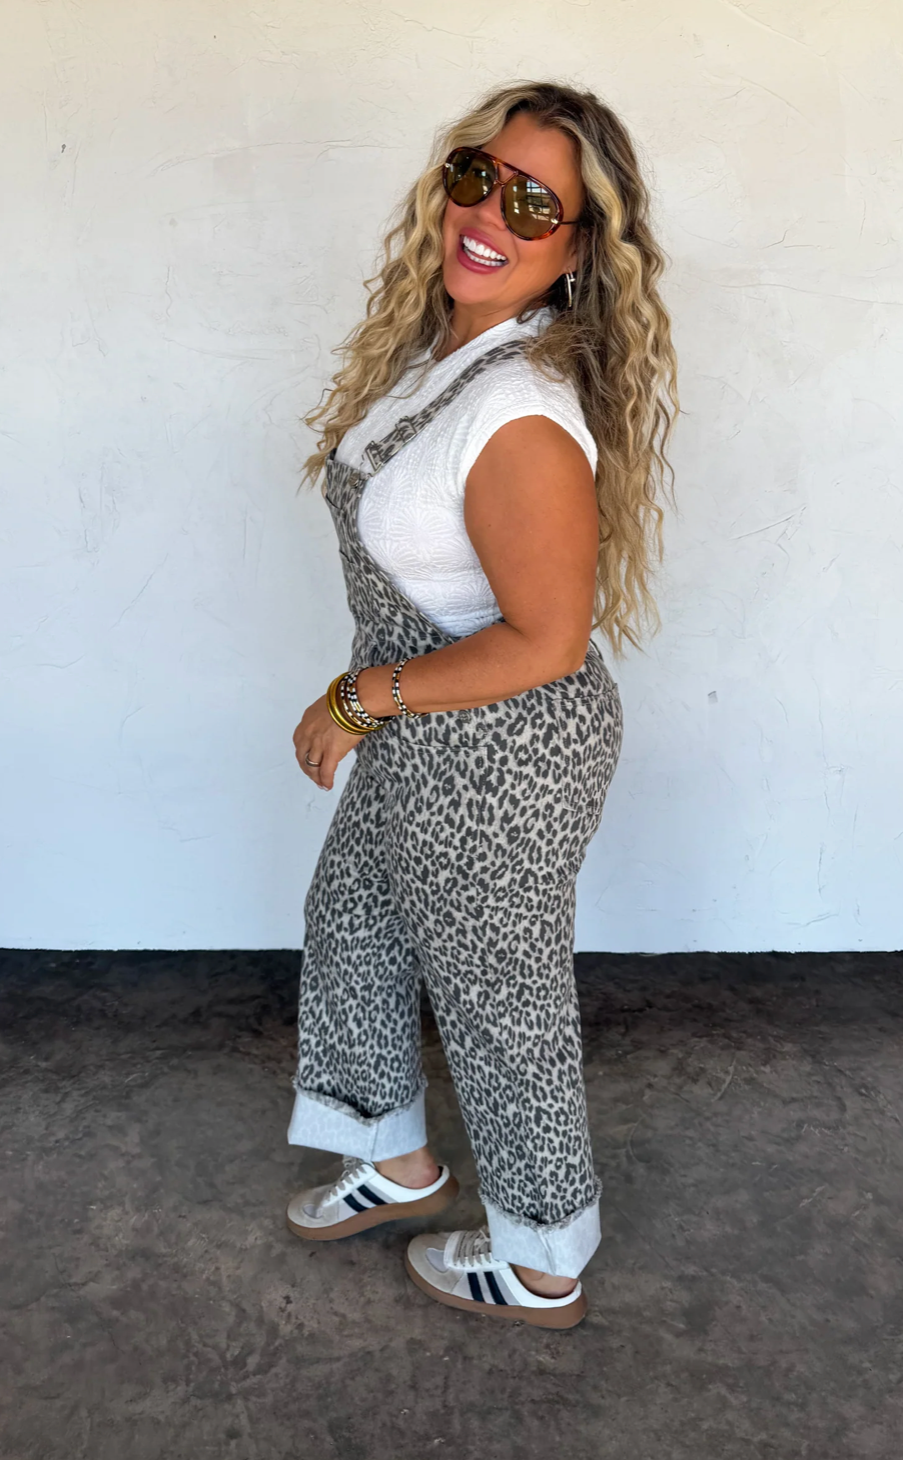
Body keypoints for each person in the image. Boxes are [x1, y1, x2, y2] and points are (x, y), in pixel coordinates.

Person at [286, 80, 677, 1329]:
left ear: (574, 249)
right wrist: (383, 704)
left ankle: (542, 1258)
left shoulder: (519, 409)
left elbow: (548, 640)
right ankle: (396, 1159)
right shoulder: (454, 354)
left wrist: (363, 694)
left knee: (498, 997)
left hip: (504, 743)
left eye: (532, 203)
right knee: (355, 913)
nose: (486, 214)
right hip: (432, 722)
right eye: (475, 175)